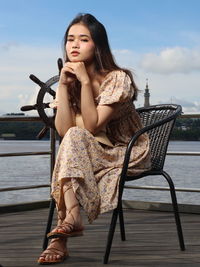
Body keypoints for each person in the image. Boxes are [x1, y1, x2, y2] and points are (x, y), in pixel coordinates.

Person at [38, 13, 151, 264]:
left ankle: (60, 237)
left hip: (124, 150)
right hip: (88, 149)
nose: (74, 45)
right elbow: (64, 130)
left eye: (83, 39)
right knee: (73, 141)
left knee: (76, 141)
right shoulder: (70, 78)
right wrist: (65, 86)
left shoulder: (117, 78)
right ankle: (71, 219)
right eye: (70, 39)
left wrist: (85, 81)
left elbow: (91, 125)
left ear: (97, 45)